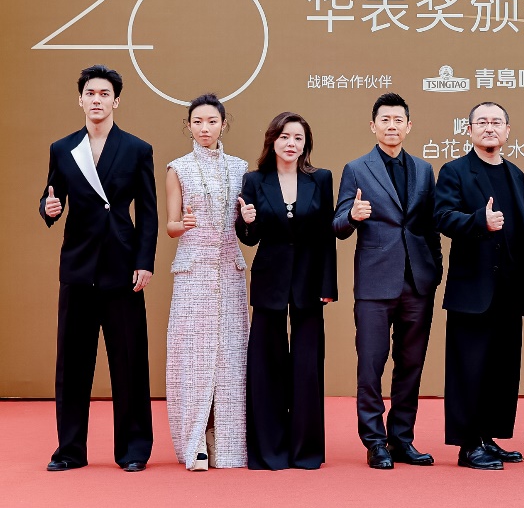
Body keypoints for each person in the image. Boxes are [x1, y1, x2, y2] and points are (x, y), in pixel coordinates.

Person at [40, 65, 156, 473]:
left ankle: (134, 450)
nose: (96, 100)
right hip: (78, 267)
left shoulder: (137, 149)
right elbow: (51, 197)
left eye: (104, 94)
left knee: (129, 361)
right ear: (80, 99)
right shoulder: (63, 148)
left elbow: (148, 212)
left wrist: (144, 262)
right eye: (90, 93)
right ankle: (69, 451)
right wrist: (48, 209)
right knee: (72, 365)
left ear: (115, 101)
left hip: (123, 268)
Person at [333, 93, 441, 470]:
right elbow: (337, 224)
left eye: (398, 120)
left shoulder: (424, 170)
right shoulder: (356, 169)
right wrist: (353, 215)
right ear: (373, 125)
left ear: (408, 126)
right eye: (385, 119)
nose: (392, 126)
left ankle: (402, 439)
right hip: (375, 283)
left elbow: (430, 227)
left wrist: (434, 271)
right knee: (371, 365)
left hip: (417, 283)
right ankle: (375, 442)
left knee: (411, 365)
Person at [435, 101, 524, 471]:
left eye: (496, 122)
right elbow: (443, 217)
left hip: (510, 291)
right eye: (482, 122)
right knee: (469, 369)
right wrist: (480, 220)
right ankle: (468, 445)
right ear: (469, 130)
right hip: (473, 291)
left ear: (507, 131)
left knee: (501, 370)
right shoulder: (454, 171)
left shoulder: (516, 175)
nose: (489, 127)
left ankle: (488, 437)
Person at [236, 112, 338, 470]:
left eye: (298, 138)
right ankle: (270, 451)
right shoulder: (254, 180)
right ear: (272, 141)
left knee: (307, 367)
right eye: (284, 137)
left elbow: (326, 235)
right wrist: (247, 222)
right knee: (267, 365)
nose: (291, 144)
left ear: (306, 144)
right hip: (270, 280)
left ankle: (305, 451)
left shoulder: (321, 178)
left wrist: (328, 284)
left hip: (311, 281)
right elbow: (249, 238)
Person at [165, 93, 249, 470]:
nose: (204, 128)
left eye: (211, 121)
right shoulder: (177, 168)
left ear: (223, 124)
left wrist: (250, 218)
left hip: (230, 272)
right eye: (197, 122)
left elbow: (246, 222)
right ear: (188, 126)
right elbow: (170, 226)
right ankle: (195, 439)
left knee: (230, 358)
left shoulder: (241, 168)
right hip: (193, 272)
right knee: (194, 356)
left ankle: (225, 440)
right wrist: (181, 224)